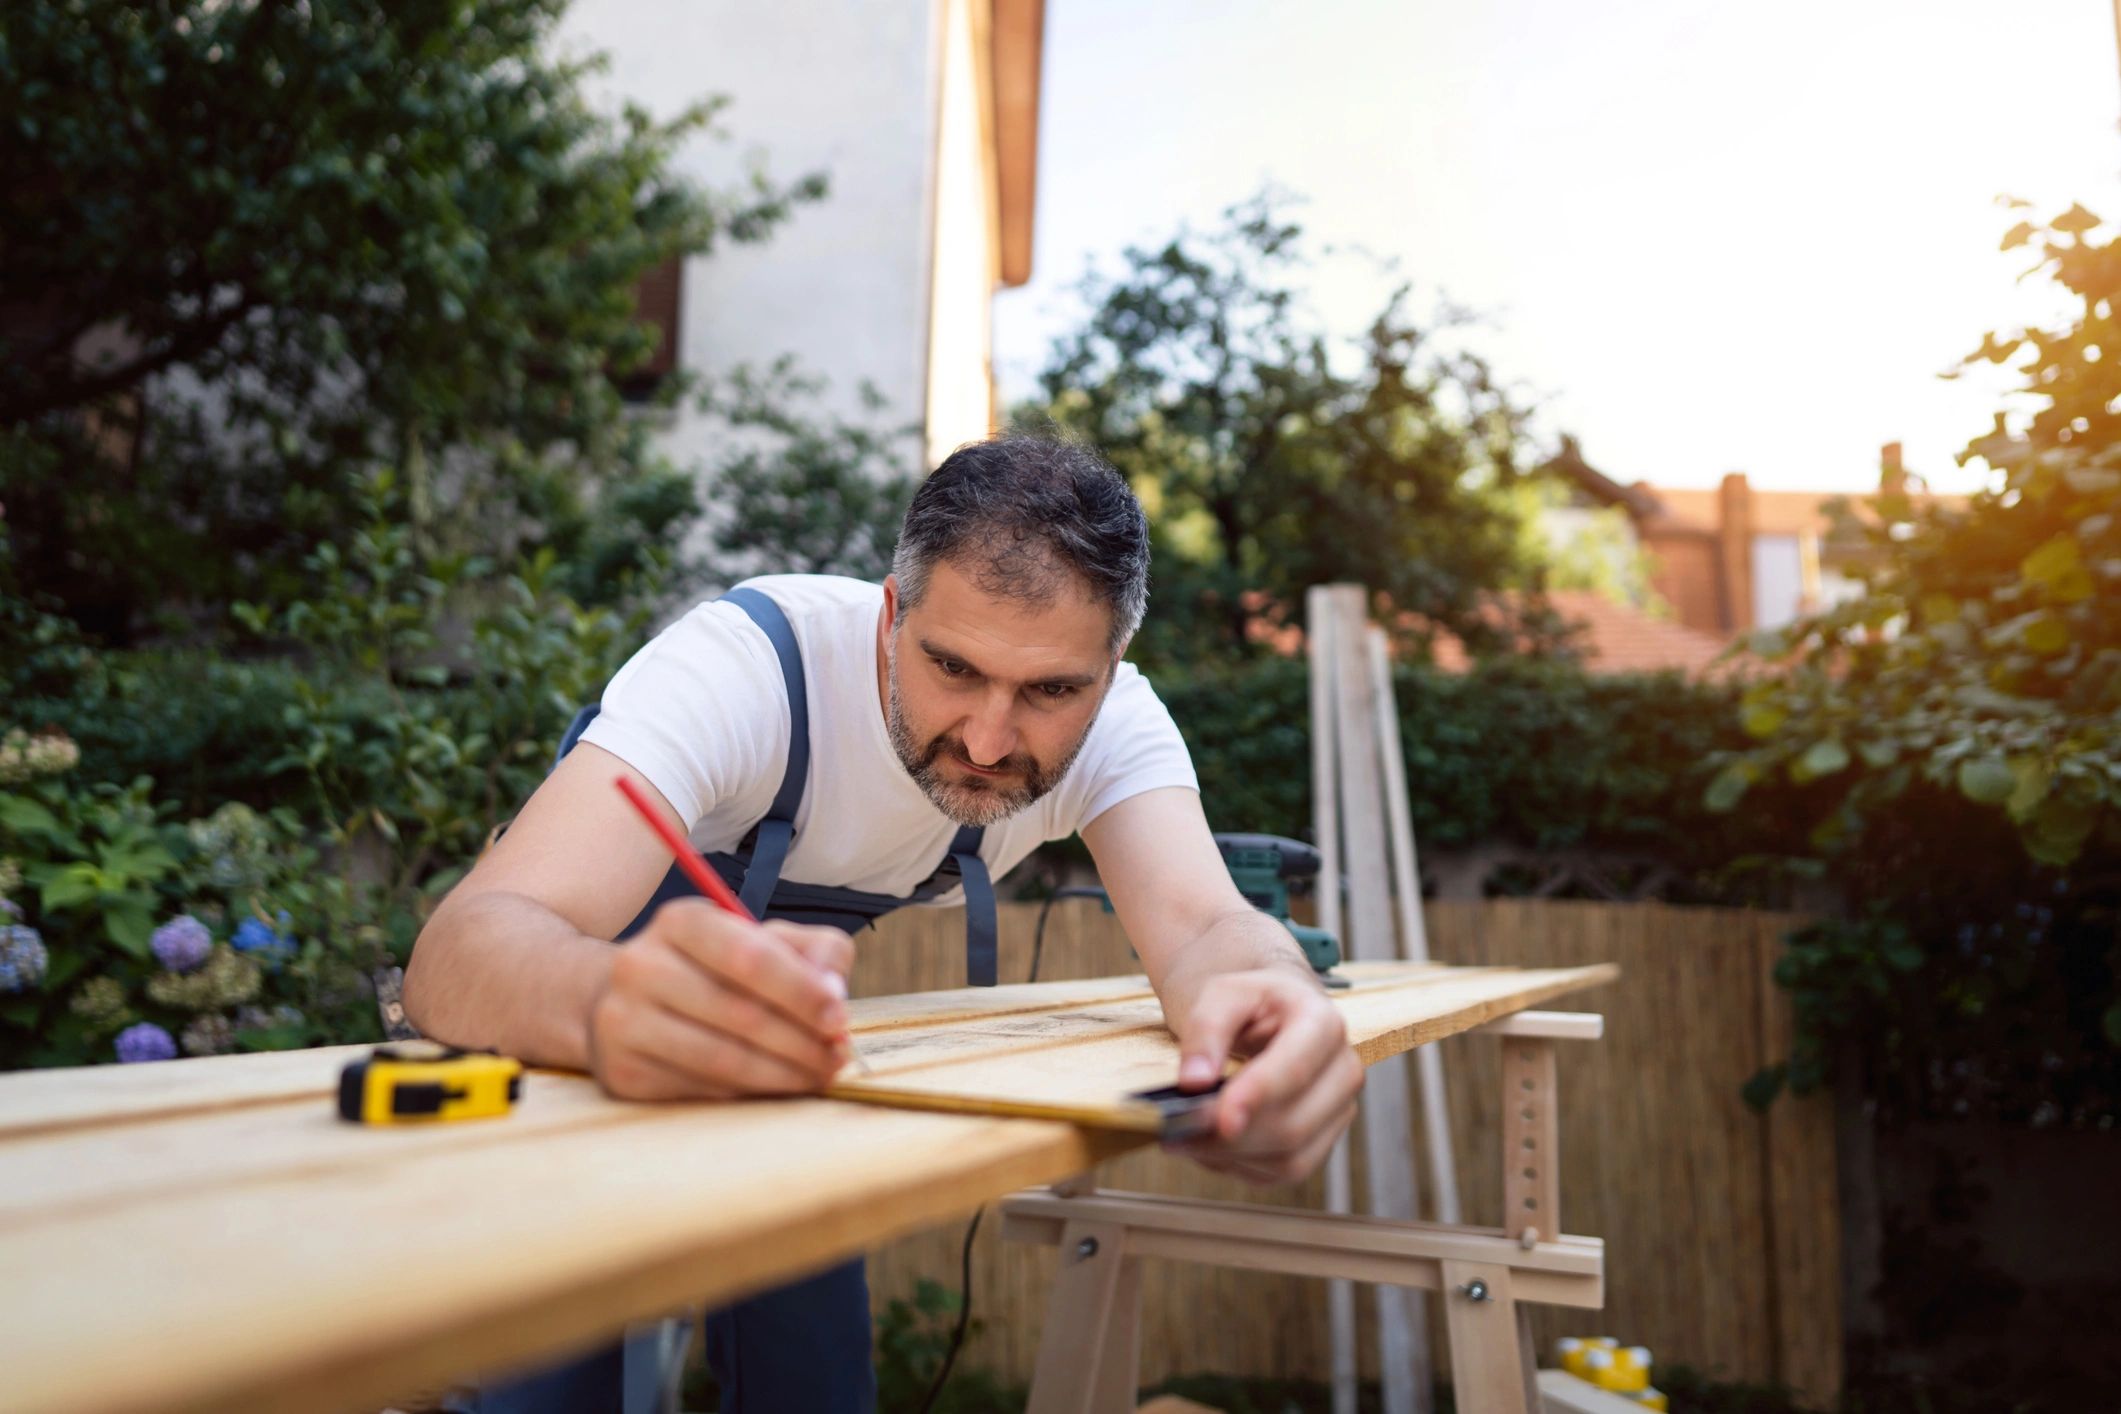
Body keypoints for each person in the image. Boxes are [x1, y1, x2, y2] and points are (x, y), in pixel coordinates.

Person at [402, 434, 1364, 1412]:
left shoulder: (1120, 725)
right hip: (576, 1027)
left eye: (1051, 691)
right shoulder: (746, 666)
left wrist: (1280, 996)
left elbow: (1208, 930)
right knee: (558, 1361)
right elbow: (466, 945)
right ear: (889, 614)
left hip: (781, 1054)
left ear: (1111, 670)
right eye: (952, 667)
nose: (991, 740)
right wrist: (611, 998)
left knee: (814, 1361)